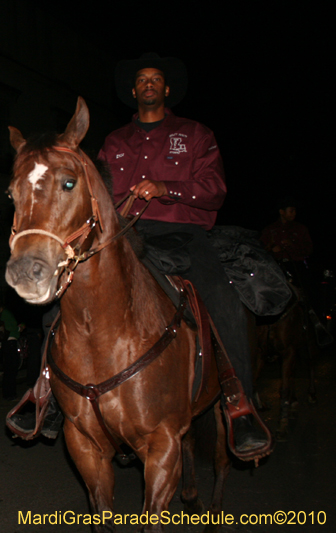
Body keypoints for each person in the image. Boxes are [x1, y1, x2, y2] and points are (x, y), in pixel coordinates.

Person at [97, 53, 268, 456]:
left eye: (156, 79)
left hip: (183, 232)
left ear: (167, 89)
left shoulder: (195, 134)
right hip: (127, 233)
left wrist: (166, 186)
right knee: (73, 287)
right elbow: (97, 192)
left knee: (223, 299)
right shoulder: (114, 142)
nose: (150, 84)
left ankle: (239, 403)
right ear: (133, 91)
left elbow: (215, 189)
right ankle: (47, 393)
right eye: (142, 79)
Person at [260, 197, 313, 284]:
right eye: (291, 211)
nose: (294, 213)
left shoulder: (300, 229)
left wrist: (292, 245)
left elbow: (309, 250)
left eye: (295, 211)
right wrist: (271, 249)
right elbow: (260, 250)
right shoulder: (270, 229)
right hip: (277, 269)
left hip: (297, 268)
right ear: (282, 212)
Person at [0, 303, 21, 401]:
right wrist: (18, 328)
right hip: (10, 342)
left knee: (8, 370)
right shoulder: (6, 313)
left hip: (6, 343)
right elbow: (10, 327)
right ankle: (10, 394)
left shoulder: (0, 314)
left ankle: (7, 393)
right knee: (12, 369)